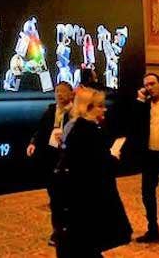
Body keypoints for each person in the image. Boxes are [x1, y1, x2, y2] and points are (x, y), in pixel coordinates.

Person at [54, 87, 132, 257]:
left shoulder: (79, 128)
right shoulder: (89, 132)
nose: (104, 109)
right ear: (88, 108)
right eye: (100, 106)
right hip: (88, 200)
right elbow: (97, 166)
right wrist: (113, 158)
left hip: (79, 199)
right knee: (86, 246)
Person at [26, 81, 73, 246]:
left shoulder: (75, 113)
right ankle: (58, 230)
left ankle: (68, 229)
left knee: (67, 197)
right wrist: (33, 143)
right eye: (57, 91)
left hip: (68, 159)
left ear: (71, 94)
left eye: (63, 91)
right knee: (55, 197)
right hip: (51, 158)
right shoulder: (51, 110)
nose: (59, 94)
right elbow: (40, 130)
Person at [134, 73, 159, 243]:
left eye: (152, 83)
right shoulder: (144, 104)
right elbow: (133, 124)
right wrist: (140, 101)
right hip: (150, 156)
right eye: (146, 85)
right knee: (147, 194)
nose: (149, 87)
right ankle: (153, 230)